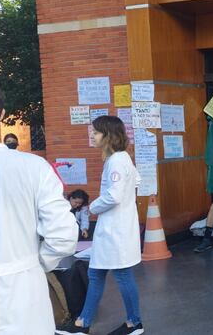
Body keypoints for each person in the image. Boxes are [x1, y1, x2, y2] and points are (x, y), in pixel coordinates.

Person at [0, 76, 78, 334]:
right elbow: (64, 236)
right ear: (1, 114)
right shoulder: (34, 168)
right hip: (26, 298)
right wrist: (34, 263)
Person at [57, 116, 144, 335]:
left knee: (121, 275)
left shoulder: (115, 161)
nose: (92, 136)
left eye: (95, 132)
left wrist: (92, 207)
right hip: (116, 229)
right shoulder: (123, 158)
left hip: (115, 230)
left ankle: (134, 323)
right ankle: (82, 323)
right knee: (96, 274)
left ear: (108, 135)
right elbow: (136, 181)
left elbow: (113, 196)